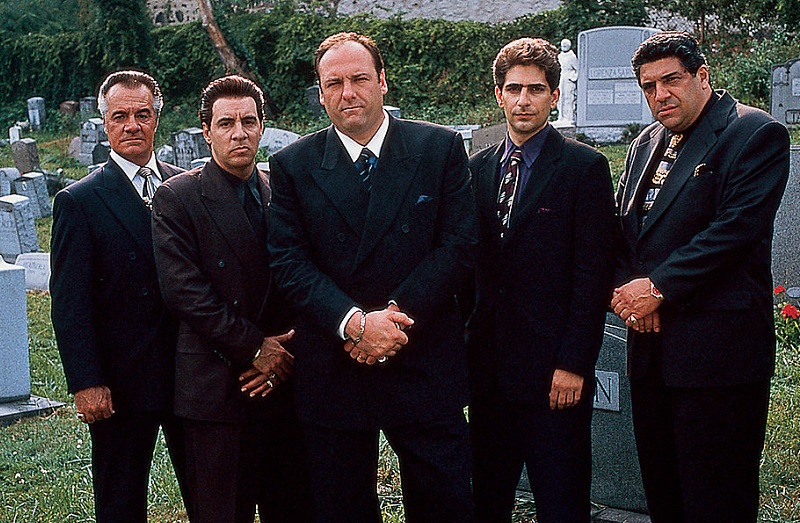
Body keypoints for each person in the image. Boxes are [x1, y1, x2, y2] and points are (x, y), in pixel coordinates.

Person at [267, 32, 478, 523]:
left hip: (421, 353)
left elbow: (458, 246)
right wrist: (356, 324)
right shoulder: (292, 165)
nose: (348, 93)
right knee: (341, 508)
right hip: (336, 363)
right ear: (321, 95)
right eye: (334, 83)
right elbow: (289, 263)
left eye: (360, 79)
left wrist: (394, 318)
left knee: (444, 505)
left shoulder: (438, 148)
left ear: (383, 81)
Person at [612, 31, 790, 523]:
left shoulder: (754, 133)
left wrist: (659, 289)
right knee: (664, 497)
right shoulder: (645, 141)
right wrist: (630, 295)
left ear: (702, 76)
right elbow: (624, 229)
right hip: (651, 351)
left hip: (717, 357)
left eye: (671, 80)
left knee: (716, 501)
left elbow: (736, 229)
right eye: (649, 87)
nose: (660, 95)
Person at [467, 37, 616, 523]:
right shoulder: (477, 169)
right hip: (489, 373)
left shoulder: (583, 167)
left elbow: (592, 274)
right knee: (487, 498)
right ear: (499, 95)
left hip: (554, 374)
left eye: (535, 89)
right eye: (513, 89)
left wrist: (573, 363)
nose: (523, 100)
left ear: (553, 95)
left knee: (561, 499)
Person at [151, 75, 310, 523]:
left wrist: (281, 355)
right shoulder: (177, 197)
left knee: (293, 508)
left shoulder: (280, 190)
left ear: (262, 126)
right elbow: (185, 291)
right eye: (226, 124)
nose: (239, 133)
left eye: (248, 121)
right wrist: (255, 348)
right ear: (207, 131)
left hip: (283, 382)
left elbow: (300, 278)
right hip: (217, 387)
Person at [50, 70, 190, 523]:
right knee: (120, 502)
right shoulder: (80, 201)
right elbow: (70, 302)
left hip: (191, 373)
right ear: (105, 123)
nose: (132, 125)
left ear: (157, 119)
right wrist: (86, 381)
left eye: (142, 115)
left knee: (210, 496)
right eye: (120, 116)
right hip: (120, 382)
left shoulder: (187, 187)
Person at [556, 38, 578, 125]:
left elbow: (577, 69)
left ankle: (569, 117)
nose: (564, 47)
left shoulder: (572, 57)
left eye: (565, 45)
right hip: (561, 77)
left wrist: (572, 77)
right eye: (563, 45)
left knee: (568, 98)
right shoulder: (559, 56)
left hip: (568, 79)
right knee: (560, 97)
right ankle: (561, 117)